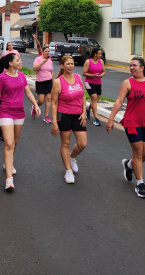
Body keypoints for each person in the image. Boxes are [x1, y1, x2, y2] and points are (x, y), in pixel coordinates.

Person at [106, 56, 145, 198]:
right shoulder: (127, 83)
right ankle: (140, 184)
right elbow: (119, 101)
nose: (131, 68)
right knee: (138, 153)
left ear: (142, 67)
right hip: (132, 122)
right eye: (130, 65)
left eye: (134, 65)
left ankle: (129, 165)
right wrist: (111, 119)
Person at [0, 53, 41, 190]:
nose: (20, 62)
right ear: (10, 63)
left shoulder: (22, 76)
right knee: (9, 143)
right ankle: (9, 179)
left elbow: (28, 93)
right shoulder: (2, 78)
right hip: (5, 112)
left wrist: (35, 104)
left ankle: (8, 163)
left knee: (15, 142)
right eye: (18, 60)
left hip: (19, 113)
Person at [51, 56, 87, 184]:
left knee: (83, 143)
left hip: (78, 115)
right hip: (64, 115)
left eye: (72, 64)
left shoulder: (78, 77)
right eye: (68, 64)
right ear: (62, 66)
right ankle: (68, 171)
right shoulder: (58, 82)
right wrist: (54, 122)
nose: (70, 66)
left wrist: (84, 112)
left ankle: (72, 157)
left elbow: (83, 96)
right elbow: (54, 103)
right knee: (65, 143)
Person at [83, 47, 106, 126]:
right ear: (95, 54)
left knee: (96, 100)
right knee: (94, 98)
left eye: (101, 54)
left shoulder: (101, 61)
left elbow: (104, 71)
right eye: (99, 54)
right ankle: (96, 118)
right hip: (89, 82)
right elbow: (84, 73)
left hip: (98, 82)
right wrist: (93, 75)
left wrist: (101, 75)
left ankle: (88, 109)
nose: (101, 55)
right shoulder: (88, 61)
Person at [32, 46, 54, 123]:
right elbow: (34, 69)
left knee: (48, 99)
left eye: (49, 51)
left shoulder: (50, 61)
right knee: (41, 100)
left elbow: (51, 72)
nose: (48, 53)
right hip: (40, 82)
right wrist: (42, 62)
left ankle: (46, 116)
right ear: (43, 52)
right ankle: (35, 106)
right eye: (46, 51)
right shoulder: (38, 59)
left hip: (49, 81)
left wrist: (53, 83)